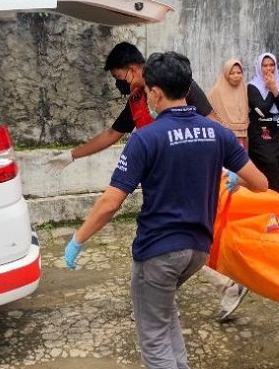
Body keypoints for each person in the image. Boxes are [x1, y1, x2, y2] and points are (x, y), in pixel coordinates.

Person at [64, 52, 268, 369]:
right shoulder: (218, 133)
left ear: (156, 92)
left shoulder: (146, 138)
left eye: (147, 94)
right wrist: (234, 175)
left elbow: (110, 202)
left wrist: (78, 239)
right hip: (198, 249)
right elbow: (261, 184)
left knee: (154, 341)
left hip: (158, 252)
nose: (146, 99)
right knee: (165, 314)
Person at [45, 42, 212, 173]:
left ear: (132, 69)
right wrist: (72, 155)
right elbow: (111, 134)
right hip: (157, 174)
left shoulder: (176, 84)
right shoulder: (136, 100)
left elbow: (212, 120)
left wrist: (222, 163)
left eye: (118, 77)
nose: (118, 84)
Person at [204, 58, 252, 321]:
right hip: (219, 164)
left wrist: (232, 171)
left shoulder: (245, 92)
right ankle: (228, 285)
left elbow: (259, 182)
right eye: (231, 71)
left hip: (230, 163)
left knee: (185, 251)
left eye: (239, 71)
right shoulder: (212, 98)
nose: (235, 75)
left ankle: (228, 285)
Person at [247, 53, 279, 195]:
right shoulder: (252, 86)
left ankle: (270, 198)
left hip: (277, 129)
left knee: (275, 164)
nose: (268, 68)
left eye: (272, 65)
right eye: (265, 65)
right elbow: (263, 110)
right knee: (268, 162)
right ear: (259, 67)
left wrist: (275, 88)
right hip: (260, 131)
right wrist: (272, 89)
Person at [208, 59, 249, 147]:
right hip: (224, 136)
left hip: (243, 135)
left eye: (239, 72)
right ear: (226, 74)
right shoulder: (217, 92)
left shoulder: (245, 89)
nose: (236, 76)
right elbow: (209, 114)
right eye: (232, 73)